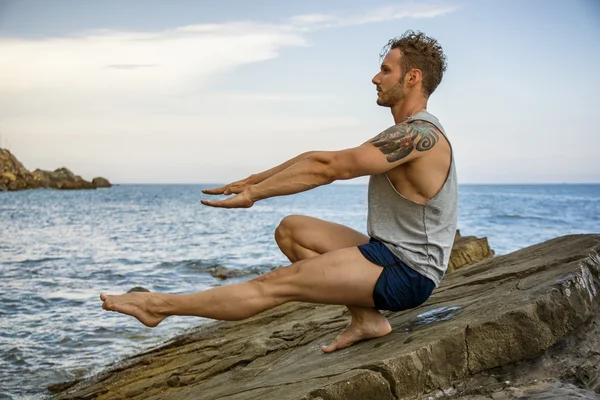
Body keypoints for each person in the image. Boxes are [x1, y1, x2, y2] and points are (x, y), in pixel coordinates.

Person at [100, 30, 457, 353]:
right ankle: (367, 319)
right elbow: (319, 158)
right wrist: (254, 180)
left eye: (385, 70)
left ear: (412, 78)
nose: (375, 78)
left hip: (408, 271)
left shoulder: (417, 137)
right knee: (292, 230)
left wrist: (256, 195)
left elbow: (330, 168)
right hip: (387, 252)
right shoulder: (404, 134)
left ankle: (159, 307)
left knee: (273, 284)